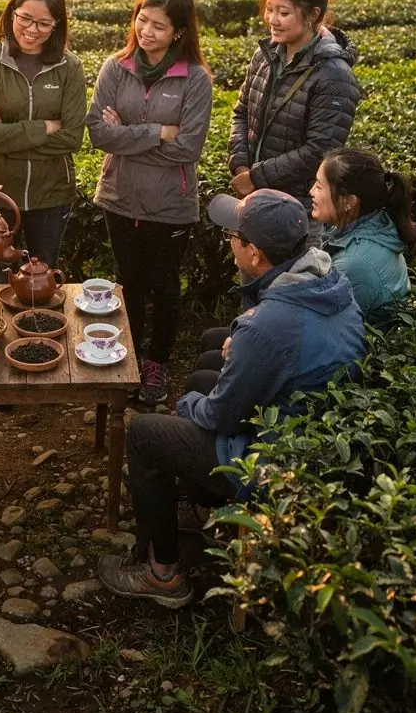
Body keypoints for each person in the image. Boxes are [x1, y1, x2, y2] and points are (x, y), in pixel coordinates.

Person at [97, 189, 365, 610]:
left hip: (279, 462)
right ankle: (202, 505)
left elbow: (221, 416)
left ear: (255, 253)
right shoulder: (324, 277)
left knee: (146, 433)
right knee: (206, 370)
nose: (228, 242)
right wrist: (242, 346)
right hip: (316, 434)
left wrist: (186, 405)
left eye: (233, 236)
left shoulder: (269, 324)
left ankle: (162, 573)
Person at [86, 0, 213, 405]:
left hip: (170, 203)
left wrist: (126, 134)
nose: (147, 31)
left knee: (165, 286)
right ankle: (126, 360)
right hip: (119, 196)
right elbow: (98, 134)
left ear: (179, 32)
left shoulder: (195, 79)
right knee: (129, 284)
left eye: (159, 26)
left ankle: (156, 364)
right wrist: (158, 131)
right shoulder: (115, 67)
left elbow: (188, 147)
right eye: (142, 20)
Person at [229, 0, 360, 243]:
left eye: (284, 13)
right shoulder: (264, 56)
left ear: (312, 15)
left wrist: (256, 177)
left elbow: (319, 149)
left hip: (297, 211)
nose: (272, 20)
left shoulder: (334, 75)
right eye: (269, 9)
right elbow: (241, 113)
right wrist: (240, 165)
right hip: (255, 201)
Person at [0, 0, 87, 272]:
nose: (32, 30)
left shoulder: (70, 67)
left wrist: (5, 133)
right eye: (25, 18)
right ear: (11, 13)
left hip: (52, 195)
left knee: (41, 279)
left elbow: (72, 138)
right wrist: (45, 127)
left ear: (57, 25)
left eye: (44, 24)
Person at [310, 148, 415, 321]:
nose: (312, 192)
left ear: (349, 202)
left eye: (319, 186)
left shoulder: (355, 264)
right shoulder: (368, 222)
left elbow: (318, 321)